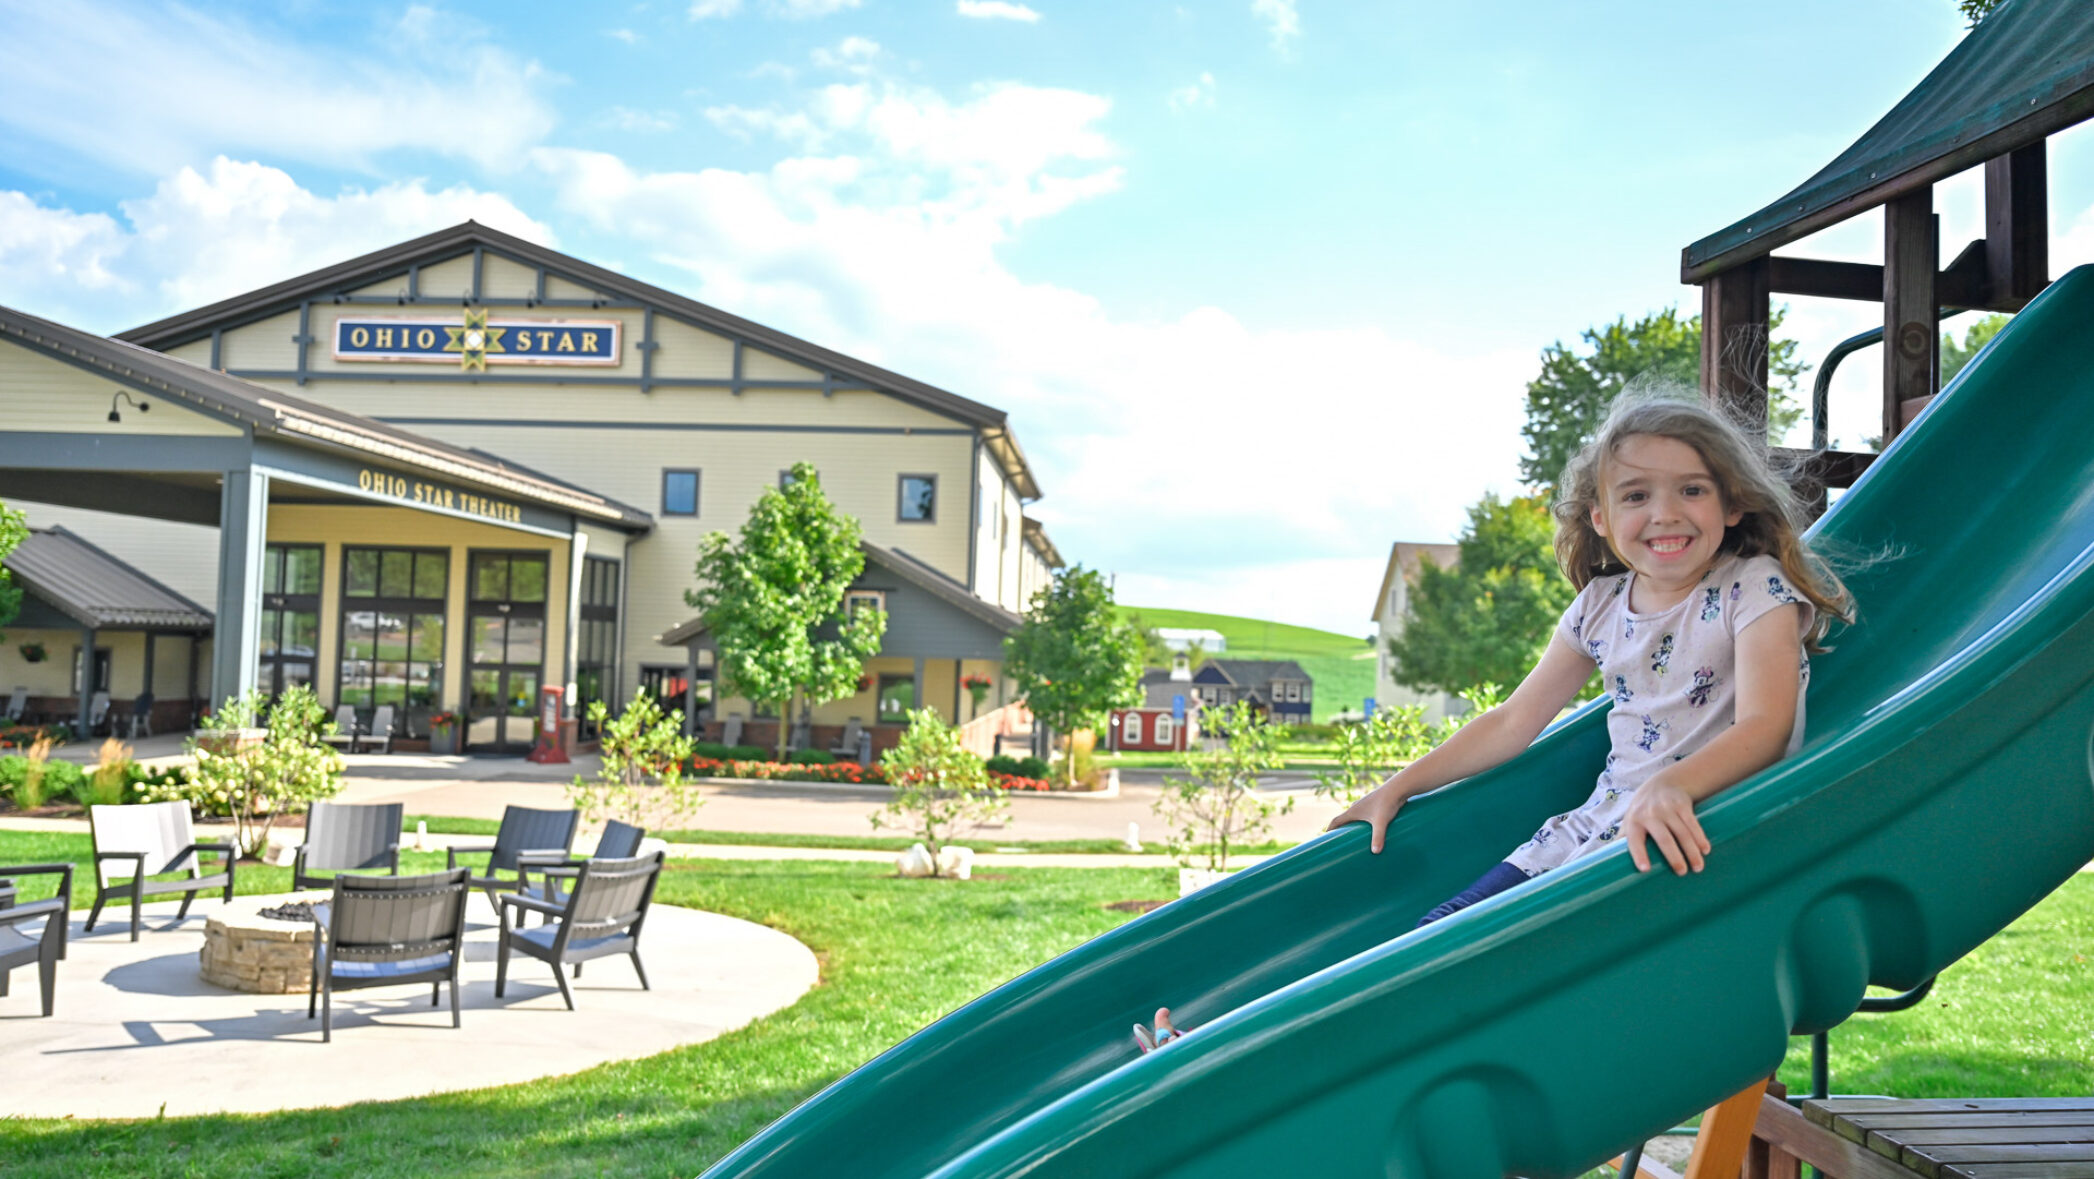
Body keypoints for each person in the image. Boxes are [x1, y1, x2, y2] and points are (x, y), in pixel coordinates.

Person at [1133, 395, 1855, 1054]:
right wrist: (1400, 784)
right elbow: (1514, 720)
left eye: (1691, 489)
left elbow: (1766, 724)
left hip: (1669, 844)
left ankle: (1230, 1050)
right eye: (1637, 495)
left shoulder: (1752, 586)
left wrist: (1673, 786)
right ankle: (1226, 1045)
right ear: (1601, 519)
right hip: (1578, 839)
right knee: (1421, 948)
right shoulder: (1601, 605)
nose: (1665, 513)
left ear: (1731, 503)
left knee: (1443, 979)